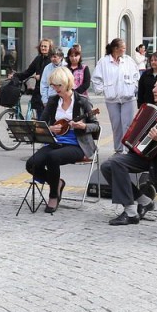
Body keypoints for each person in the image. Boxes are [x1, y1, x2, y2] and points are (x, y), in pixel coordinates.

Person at [100, 75, 157, 225]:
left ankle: (130, 212)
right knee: (107, 166)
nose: (154, 90)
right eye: (154, 86)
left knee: (117, 163)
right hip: (147, 155)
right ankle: (144, 201)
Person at [26, 67, 100, 213]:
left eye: (58, 85)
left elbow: (96, 126)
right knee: (31, 164)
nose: (55, 89)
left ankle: (53, 195)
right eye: (53, 85)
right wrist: (50, 128)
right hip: (55, 142)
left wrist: (84, 126)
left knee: (53, 157)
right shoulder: (53, 101)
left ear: (67, 83)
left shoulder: (82, 101)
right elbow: (41, 124)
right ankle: (57, 183)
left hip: (77, 144)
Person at [91, 38, 141, 153]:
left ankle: (127, 150)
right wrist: (103, 89)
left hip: (128, 98)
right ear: (115, 49)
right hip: (111, 99)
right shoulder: (104, 61)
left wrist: (134, 88)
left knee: (127, 125)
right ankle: (118, 149)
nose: (124, 50)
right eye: (123, 48)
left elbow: (136, 75)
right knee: (116, 125)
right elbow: (96, 78)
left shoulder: (128, 60)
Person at [18, 38, 54, 116]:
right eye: (41, 46)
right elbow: (28, 71)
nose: (43, 48)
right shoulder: (38, 58)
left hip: (49, 91)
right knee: (39, 114)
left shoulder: (52, 60)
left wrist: (41, 77)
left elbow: (54, 75)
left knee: (45, 116)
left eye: (45, 46)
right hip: (38, 91)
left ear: (50, 48)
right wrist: (16, 76)